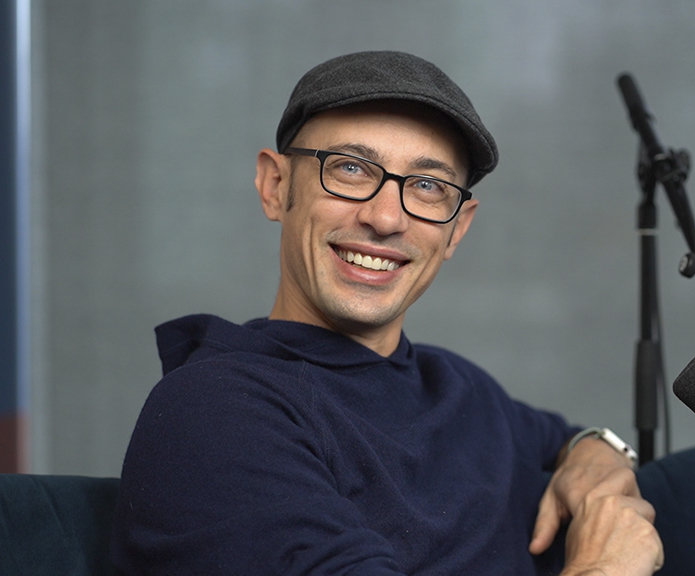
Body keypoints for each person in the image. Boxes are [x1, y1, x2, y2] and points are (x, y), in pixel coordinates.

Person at [111, 50, 663, 575]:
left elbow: (566, 438)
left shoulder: (463, 390)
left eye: (427, 186)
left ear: (457, 229)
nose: (385, 218)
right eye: (351, 168)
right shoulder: (216, 413)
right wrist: (602, 567)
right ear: (276, 186)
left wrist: (596, 453)